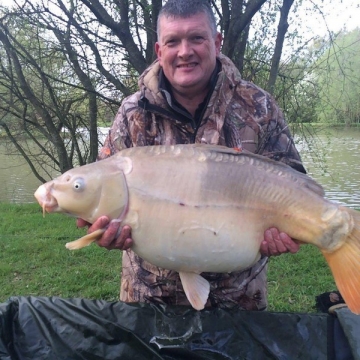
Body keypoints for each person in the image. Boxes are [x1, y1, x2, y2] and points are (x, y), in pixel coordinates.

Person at [77, 0, 303, 311]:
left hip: (240, 300)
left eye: (196, 38)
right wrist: (104, 230)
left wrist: (284, 231)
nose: (185, 51)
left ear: (216, 42)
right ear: (159, 50)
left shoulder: (258, 106)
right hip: (148, 298)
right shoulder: (132, 112)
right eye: (173, 41)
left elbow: (294, 179)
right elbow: (105, 193)